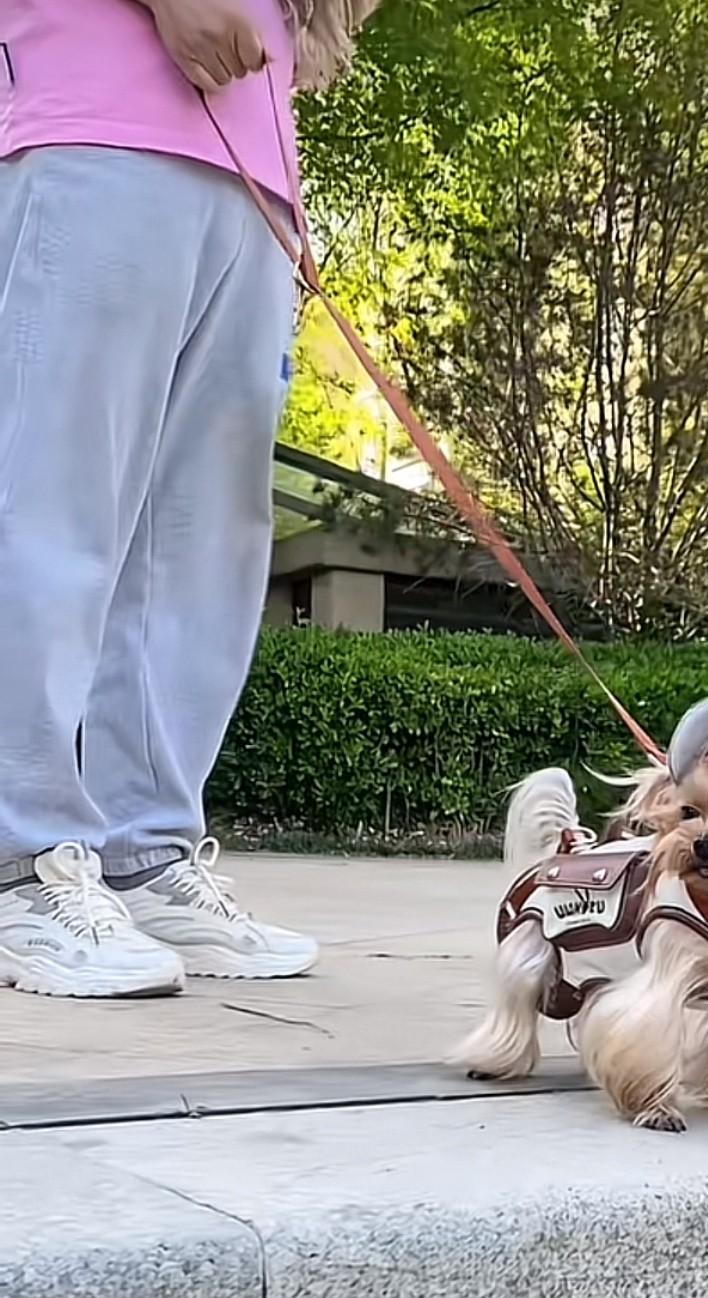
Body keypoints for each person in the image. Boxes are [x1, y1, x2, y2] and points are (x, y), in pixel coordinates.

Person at [0, 0, 377, 996]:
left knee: (199, 546)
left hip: (251, 167)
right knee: (52, 502)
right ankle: (17, 859)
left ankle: (145, 848)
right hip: (87, 114)